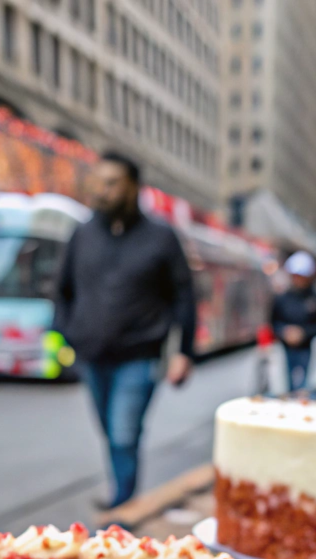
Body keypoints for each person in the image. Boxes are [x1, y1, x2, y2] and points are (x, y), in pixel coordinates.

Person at [52, 151, 195, 509]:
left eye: (113, 183)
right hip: (92, 356)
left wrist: (184, 352)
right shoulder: (82, 235)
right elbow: (62, 290)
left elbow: (184, 297)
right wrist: (68, 335)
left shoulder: (161, 237)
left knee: (123, 432)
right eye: (99, 182)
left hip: (139, 357)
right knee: (110, 433)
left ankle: (124, 506)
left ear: (133, 187)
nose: (103, 190)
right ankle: (122, 493)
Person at [271, 250, 316, 392]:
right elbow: (273, 322)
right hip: (286, 346)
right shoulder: (282, 298)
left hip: (305, 347)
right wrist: (284, 332)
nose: (298, 280)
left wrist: (304, 333)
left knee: (302, 383)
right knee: (289, 381)